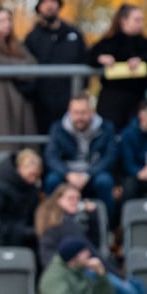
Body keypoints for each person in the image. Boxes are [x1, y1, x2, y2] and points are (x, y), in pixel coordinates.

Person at [35, 185, 145, 294]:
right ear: (58, 200)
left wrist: (92, 216)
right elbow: (90, 250)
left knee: (136, 283)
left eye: (78, 198)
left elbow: (93, 244)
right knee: (130, 292)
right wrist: (119, 275)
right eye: (70, 198)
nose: (75, 202)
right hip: (68, 273)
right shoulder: (64, 223)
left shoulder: (62, 220)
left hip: (74, 269)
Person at [43, 94, 118, 223]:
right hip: (67, 174)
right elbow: (51, 156)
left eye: (83, 113)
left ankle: (107, 226)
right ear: (69, 111)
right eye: (76, 113)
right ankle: (51, 223)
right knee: (52, 180)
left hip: (93, 173)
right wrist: (67, 174)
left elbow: (110, 156)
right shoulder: (58, 128)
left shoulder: (106, 128)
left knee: (104, 182)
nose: (79, 117)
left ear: (92, 112)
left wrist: (88, 174)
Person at [24, 0, 88, 132]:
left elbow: (85, 61)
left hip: (70, 104)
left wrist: (79, 95)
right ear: (39, 8)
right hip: (41, 105)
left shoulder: (73, 34)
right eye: (45, 2)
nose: (49, 6)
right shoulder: (32, 38)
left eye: (52, 1)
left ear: (58, 5)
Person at [0, 7, 39, 153]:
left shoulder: (16, 44)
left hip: (19, 105)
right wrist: (19, 66)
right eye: (1, 20)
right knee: (0, 150)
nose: (6, 24)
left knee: (24, 151)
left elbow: (32, 65)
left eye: (8, 20)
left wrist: (11, 67)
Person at [87, 4, 147, 132]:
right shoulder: (109, 42)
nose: (140, 24)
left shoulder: (145, 44)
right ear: (123, 20)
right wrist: (100, 58)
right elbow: (89, 55)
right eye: (136, 20)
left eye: (141, 20)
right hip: (111, 99)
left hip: (137, 98)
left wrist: (142, 59)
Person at [0, 149, 42, 251]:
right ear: (21, 167)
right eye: (31, 174)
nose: (33, 179)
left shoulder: (31, 189)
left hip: (22, 235)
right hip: (2, 237)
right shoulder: (0, 187)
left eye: (36, 176)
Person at [120, 99, 147, 204]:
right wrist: (141, 172)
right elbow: (128, 164)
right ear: (142, 115)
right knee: (130, 185)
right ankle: (125, 213)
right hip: (137, 175)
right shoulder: (128, 134)